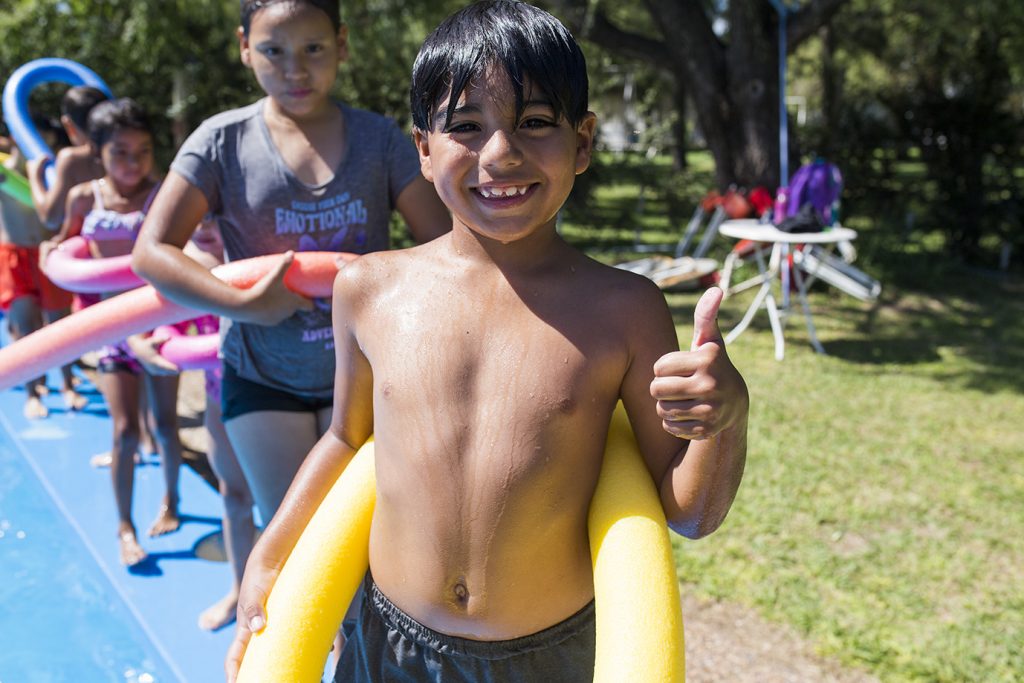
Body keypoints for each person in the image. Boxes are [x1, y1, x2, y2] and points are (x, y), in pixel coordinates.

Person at [226, 2, 749, 681]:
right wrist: (270, 559)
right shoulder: (369, 290)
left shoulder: (624, 310)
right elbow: (346, 440)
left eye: (535, 123)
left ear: (583, 141)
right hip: (388, 638)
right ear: (422, 148)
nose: (501, 153)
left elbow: (688, 511)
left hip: (547, 653)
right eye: (466, 127)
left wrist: (725, 419)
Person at [131, 0, 450, 531]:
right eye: (273, 51)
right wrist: (242, 305)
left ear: (342, 46)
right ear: (244, 48)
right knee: (293, 533)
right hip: (262, 374)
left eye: (314, 49)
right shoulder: (220, 142)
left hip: (366, 371)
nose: (295, 69)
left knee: (369, 533)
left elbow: (443, 245)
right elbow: (152, 251)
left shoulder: (379, 140)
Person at [41, 97, 183, 567]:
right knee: (123, 431)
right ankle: (125, 526)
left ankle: (171, 501)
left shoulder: (162, 193)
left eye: (143, 151)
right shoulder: (86, 197)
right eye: (120, 152)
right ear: (97, 151)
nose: (133, 162)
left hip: (157, 325)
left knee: (164, 425)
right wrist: (51, 253)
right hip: (112, 330)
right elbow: (65, 244)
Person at [132, 215, 257, 630]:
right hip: (221, 395)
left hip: (276, 394)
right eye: (194, 211)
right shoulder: (187, 265)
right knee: (234, 497)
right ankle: (240, 592)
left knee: (288, 506)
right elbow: (142, 320)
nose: (201, 221)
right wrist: (149, 345)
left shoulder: (261, 256)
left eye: (214, 213)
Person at [1, 127, 84, 417]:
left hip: (47, 253)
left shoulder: (53, 172)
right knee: (26, 327)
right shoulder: (3, 169)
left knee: (60, 325)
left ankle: (67, 384)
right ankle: (33, 392)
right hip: (14, 255)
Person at [26, 85, 108, 230]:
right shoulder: (129, 151)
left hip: (90, 244)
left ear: (68, 124)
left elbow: (51, 218)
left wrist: (35, 177)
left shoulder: (72, 158)